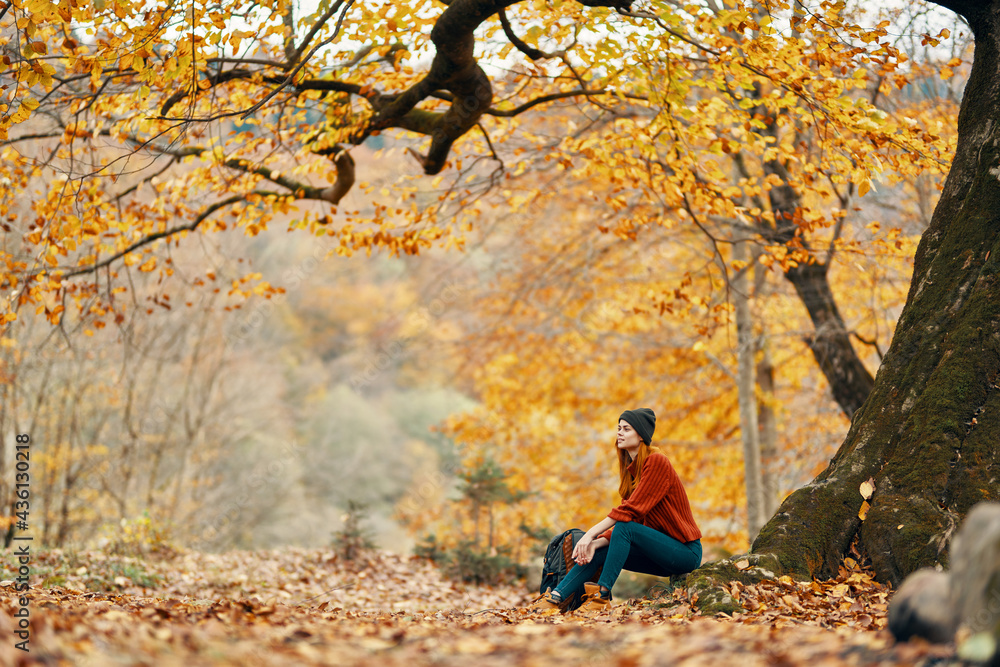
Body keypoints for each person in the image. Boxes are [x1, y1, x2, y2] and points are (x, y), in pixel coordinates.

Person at [526, 408, 702, 616]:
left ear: (641, 435)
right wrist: (595, 544)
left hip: (684, 553)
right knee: (602, 549)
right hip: (658, 555)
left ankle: (602, 596)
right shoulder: (633, 472)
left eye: (626, 429)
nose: (619, 432)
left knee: (625, 527)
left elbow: (629, 512)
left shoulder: (657, 461)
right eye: (618, 428)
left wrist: (590, 534)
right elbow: (625, 523)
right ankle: (555, 597)